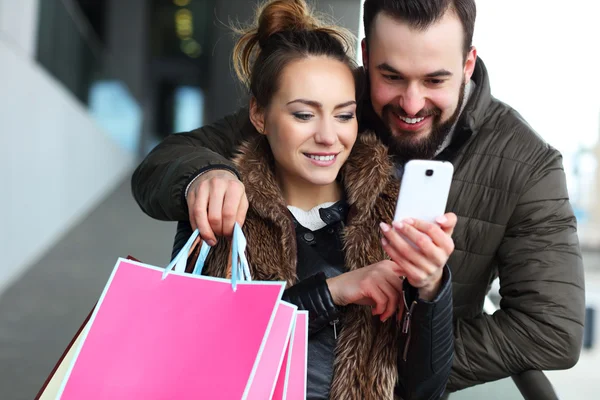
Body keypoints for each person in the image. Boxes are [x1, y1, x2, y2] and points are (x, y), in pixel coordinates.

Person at [132, 0, 585, 395]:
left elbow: (552, 330)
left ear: (468, 64)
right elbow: (178, 156)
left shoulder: (527, 164)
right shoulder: (327, 89)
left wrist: (393, 360)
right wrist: (204, 175)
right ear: (366, 59)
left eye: (434, 80)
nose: (410, 104)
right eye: (391, 76)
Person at [177, 1, 454, 399]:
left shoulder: (393, 215)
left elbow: (426, 390)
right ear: (259, 114)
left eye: (343, 115)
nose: (329, 136)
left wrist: (431, 289)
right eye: (304, 115)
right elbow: (205, 354)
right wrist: (334, 292)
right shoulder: (221, 207)